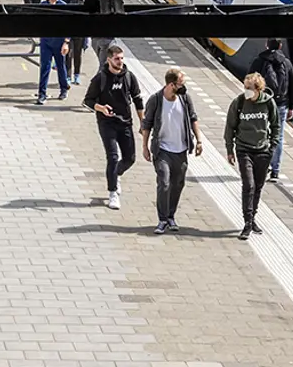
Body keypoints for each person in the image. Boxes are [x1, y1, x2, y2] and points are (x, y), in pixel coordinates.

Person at [140, 68, 203, 234]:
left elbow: (193, 118)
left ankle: (170, 216)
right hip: (162, 150)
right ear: (171, 84)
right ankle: (162, 219)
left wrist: (199, 140)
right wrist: (145, 146)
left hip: (181, 150)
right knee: (164, 182)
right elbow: (146, 125)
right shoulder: (156, 100)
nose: (183, 87)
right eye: (180, 84)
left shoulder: (185, 98)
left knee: (178, 184)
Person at [82, 44, 143, 210]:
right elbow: (87, 101)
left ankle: (117, 174)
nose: (120, 62)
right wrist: (101, 108)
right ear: (109, 59)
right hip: (106, 123)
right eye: (117, 59)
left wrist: (143, 122)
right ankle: (112, 192)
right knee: (113, 156)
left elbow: (138, 100)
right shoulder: (100, 79)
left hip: (125, 122)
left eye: (122, 58)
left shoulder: (129, 77)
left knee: (130, 158)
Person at [224, 72, 279, 240]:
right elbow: (230, 126)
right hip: (244, 149)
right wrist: (229, 149)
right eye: (245, 87)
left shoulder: (268, 103)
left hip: (262, 150)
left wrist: (272, 147)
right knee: (248, 185)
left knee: (258, 186)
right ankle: (247, 222)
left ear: (258, 89)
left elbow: (276, 125)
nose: (246, 91)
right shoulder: (239, 103)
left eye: (250, 88)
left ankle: (253, 217)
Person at [253, 38, 293, 180]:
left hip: (263, 103)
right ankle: (276, 170)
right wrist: (291, 106)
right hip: (281, 104)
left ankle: (263, 166)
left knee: (261, 133)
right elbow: (292, 86)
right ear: (280, 46)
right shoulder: (287, 63)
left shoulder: (259, 61)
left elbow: (248, 81)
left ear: (266, 44)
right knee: (278, 136)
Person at [35, 0, 70, 104]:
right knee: (45, 67)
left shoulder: (63, 6)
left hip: (59, 41)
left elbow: (69, 25)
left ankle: (64, 89)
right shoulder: (43, 6)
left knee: (61, 66)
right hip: (46, 41)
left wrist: (66, 42)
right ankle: (42, 93)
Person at [59, 0, 88, 82]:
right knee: (68, 54)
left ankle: (76, 75)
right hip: (67, 29)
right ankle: (68, 75)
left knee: (77, 54)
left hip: (79, 30)